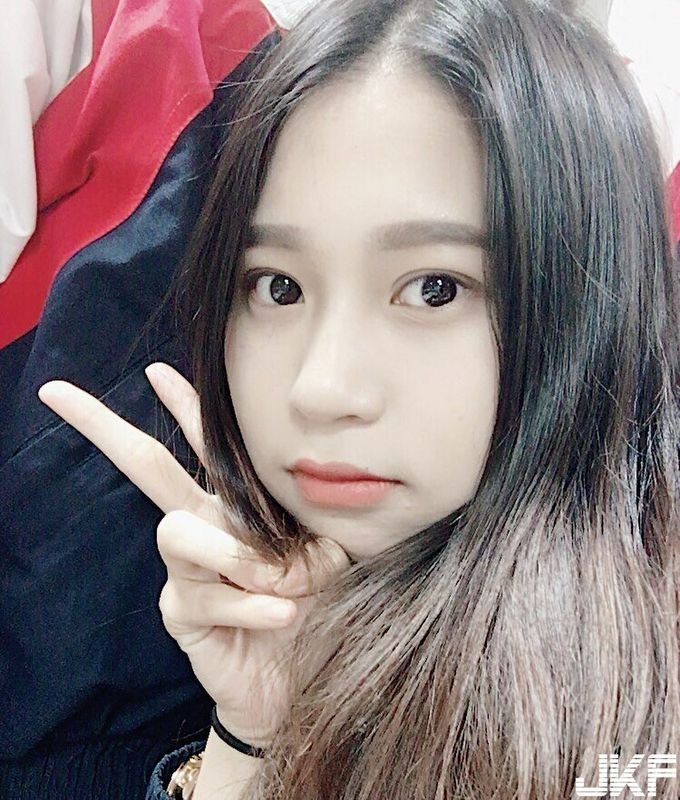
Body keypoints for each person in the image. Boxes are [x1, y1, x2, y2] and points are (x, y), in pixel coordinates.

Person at [37, 0, 680, 797]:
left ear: (589, 301)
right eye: (278, 286)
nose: (321, 389)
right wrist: (259, 732)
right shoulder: (242, 610)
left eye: (434, 288)